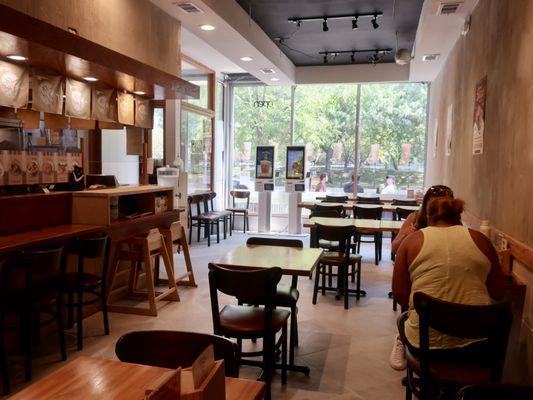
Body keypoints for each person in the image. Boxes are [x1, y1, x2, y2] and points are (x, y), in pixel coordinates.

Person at [391, 196, 505, 368]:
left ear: (428, 218)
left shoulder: (411, 242)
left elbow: (400, 296)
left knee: (403, 320)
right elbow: (498, 293)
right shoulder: (482, 241)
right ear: (458, 217)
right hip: (477, 345)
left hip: (424, 345)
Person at [390, 185, 454, 370]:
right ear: (426, 205)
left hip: (440, 271)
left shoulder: (454, 223)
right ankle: (402, 337)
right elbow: (395, 247)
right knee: (410, 295)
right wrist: (407, 236)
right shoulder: (415, 219)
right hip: (415, 271)